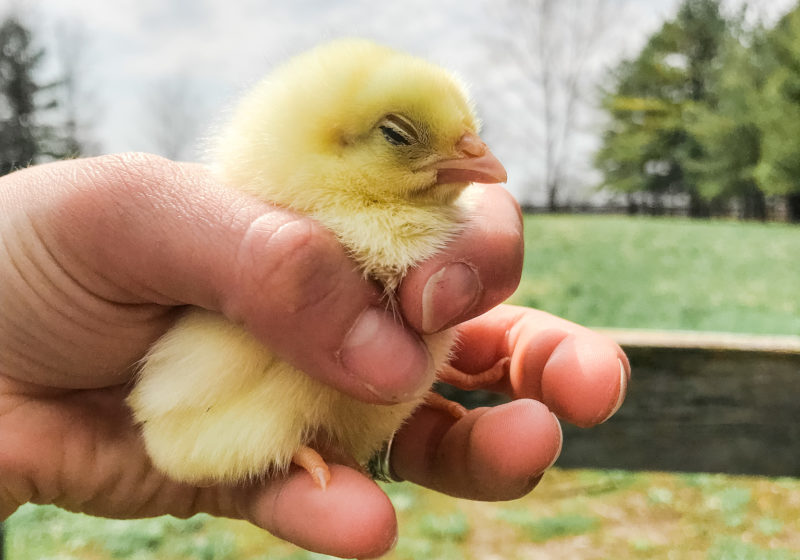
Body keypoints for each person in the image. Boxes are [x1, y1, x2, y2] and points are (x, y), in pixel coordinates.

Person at [0, 153, 629, 559]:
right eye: (403, 138)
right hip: (215, 417)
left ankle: (393, 399)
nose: (476, 156)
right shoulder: (304, 226)